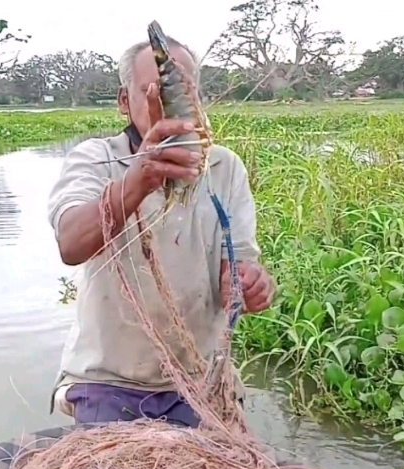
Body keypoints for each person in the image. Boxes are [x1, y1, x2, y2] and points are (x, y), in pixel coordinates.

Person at [46, 35, 276, 428]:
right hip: (109, 382)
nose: (167, 106)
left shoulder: (224, 167)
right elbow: (71, 242)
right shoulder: (97, 159)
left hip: (200, 382)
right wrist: (141, 178)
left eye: (181, 93)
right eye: (150, 92)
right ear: (124, 101)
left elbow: (236, 267)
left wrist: (249, 284)